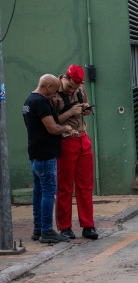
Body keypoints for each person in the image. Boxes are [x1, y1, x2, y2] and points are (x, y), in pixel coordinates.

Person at [23, 74, 76, 243]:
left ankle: (38, 229)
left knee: (38, 192)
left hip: (35, 153)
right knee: (48, 192)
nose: (55, 94)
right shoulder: (41, 102)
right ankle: (46, 230)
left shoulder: (29, 101)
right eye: (54, 90)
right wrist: (66, 128)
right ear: (48, 87)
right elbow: (52, 128)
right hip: (46, 154)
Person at [50, 65, 98, 240]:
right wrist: (70, 111)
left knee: (85, 186)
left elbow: (84, 112)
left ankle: (88, 225)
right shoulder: (54, 92)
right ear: (64, 79)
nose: (72, 90)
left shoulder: (80, 88)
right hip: (65, 141)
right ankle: (65, 227)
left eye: (75, 88)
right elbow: (51, 120)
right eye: (70, 87)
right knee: (64, 186)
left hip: (82, 138)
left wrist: (85, 109)